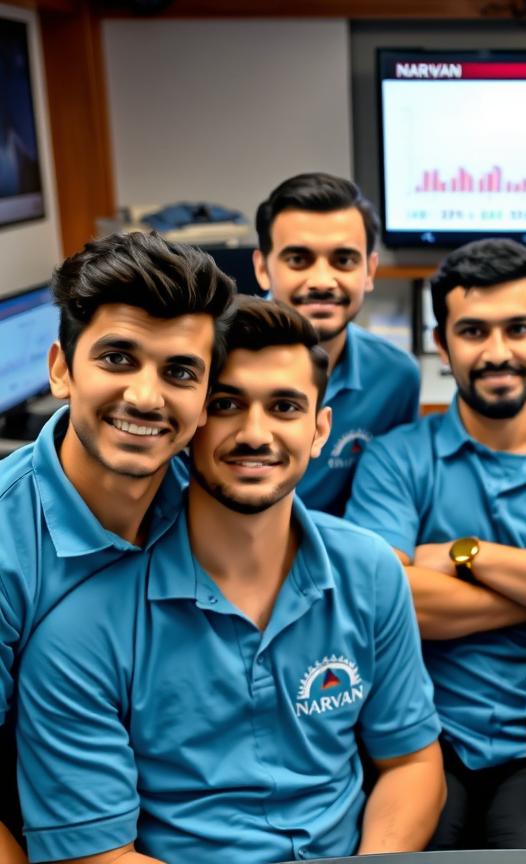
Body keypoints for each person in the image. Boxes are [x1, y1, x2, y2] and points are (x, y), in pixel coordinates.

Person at [16, 297, 444, 864]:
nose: (255, 434)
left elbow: (412, 762)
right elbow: (95, 856)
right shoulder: (83, 626)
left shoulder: (371, 573)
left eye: (285, 407)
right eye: (226, 404)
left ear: (320, 430)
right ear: (191, 420)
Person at [345, 238, 526, 849]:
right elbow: (386, 601)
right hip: (427, 742)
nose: (498, 352)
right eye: (474, 331)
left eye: (518, 329)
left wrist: (464, 555)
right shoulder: (395, 460)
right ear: (441, 343)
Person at [0, 232, 235, 863]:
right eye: (118, 359)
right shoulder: (5, 541)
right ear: (60, 369)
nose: (145, 397)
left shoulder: (212, 501)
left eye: (180, 371)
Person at [253, 172, 420, 513]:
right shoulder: (213, 359)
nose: (322, 281)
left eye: (343, 261)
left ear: (370, 271)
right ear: (262, 267)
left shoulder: (396, 377)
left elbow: (389, 498)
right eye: (298, 259)